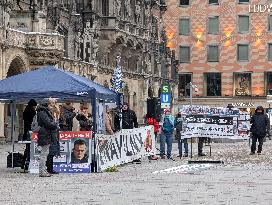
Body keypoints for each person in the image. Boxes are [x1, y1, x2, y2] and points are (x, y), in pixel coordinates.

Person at [36, 98, 58, 177]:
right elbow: (48, 123)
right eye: (50, 104)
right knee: (44, 154)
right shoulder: (42, 112)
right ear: (46, 104)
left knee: (45, 153)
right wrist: (55, 124)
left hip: (45, 134)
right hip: (44, 134)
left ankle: (43, 170)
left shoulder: (43, 111)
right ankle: (42, 172)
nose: (51, 106)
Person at [21, 99, 37, 170]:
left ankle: (23, 163)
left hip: (26, 131)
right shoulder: (31, 111)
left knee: (27, 148)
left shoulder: (26, 110)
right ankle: (27, 164)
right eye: (34, 106)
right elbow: (33, 121)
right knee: (29, 149)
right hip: (29, 131)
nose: (35, 107)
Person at [46, 98, 60, 174]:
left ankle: (50, 168)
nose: (54, 104)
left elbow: (57, 118)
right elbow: (50, 124)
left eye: (55, 102)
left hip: (54, 134)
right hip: (50, 135)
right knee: (50, 153)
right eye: (53, 102)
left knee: (52, 153)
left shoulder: (54, 111)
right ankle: (49, 169)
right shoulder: (48, 111)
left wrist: (58, 111)